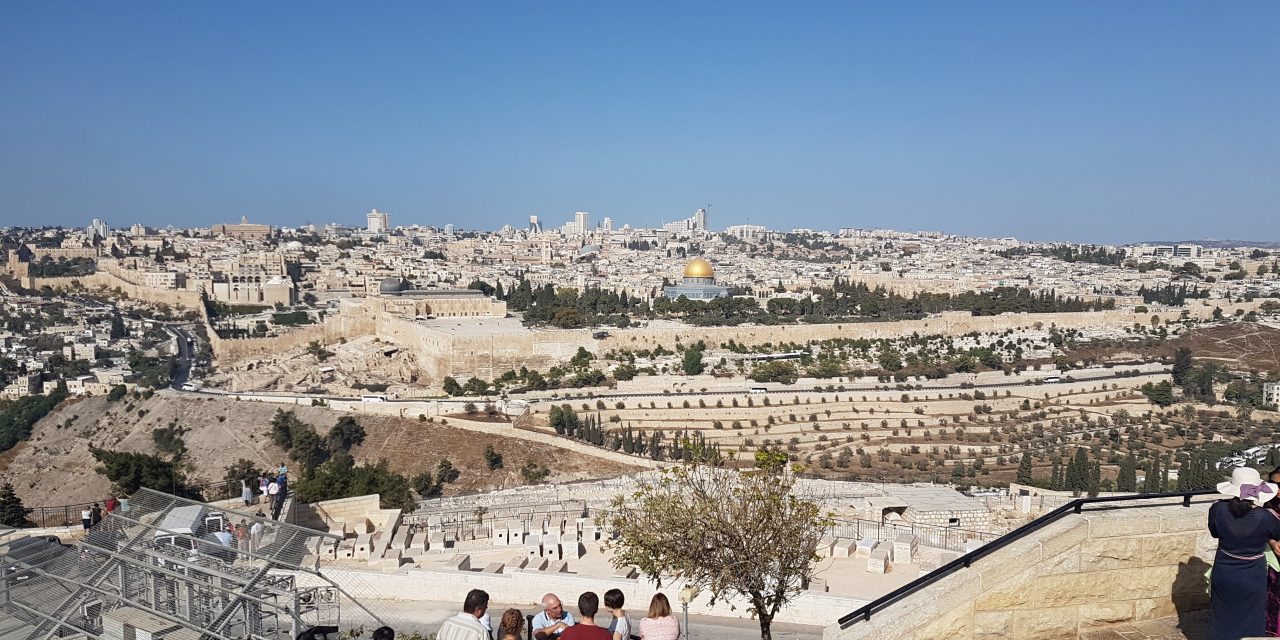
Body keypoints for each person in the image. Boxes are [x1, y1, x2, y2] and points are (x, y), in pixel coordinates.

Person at [1208, 467, 1280, 640]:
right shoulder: (1266, 517)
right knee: (1251, 620)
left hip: (1223, 571)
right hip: (1253, 576)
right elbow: (1276, 534)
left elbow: (1215, 532)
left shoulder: (1217, 509)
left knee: (1222, 618)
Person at [1266, 466, 1280, 636]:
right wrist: (1271, 542)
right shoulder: (1269, 503)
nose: (1277, 489)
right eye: (1273, 484)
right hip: (1274, 561)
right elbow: (1262, 529)